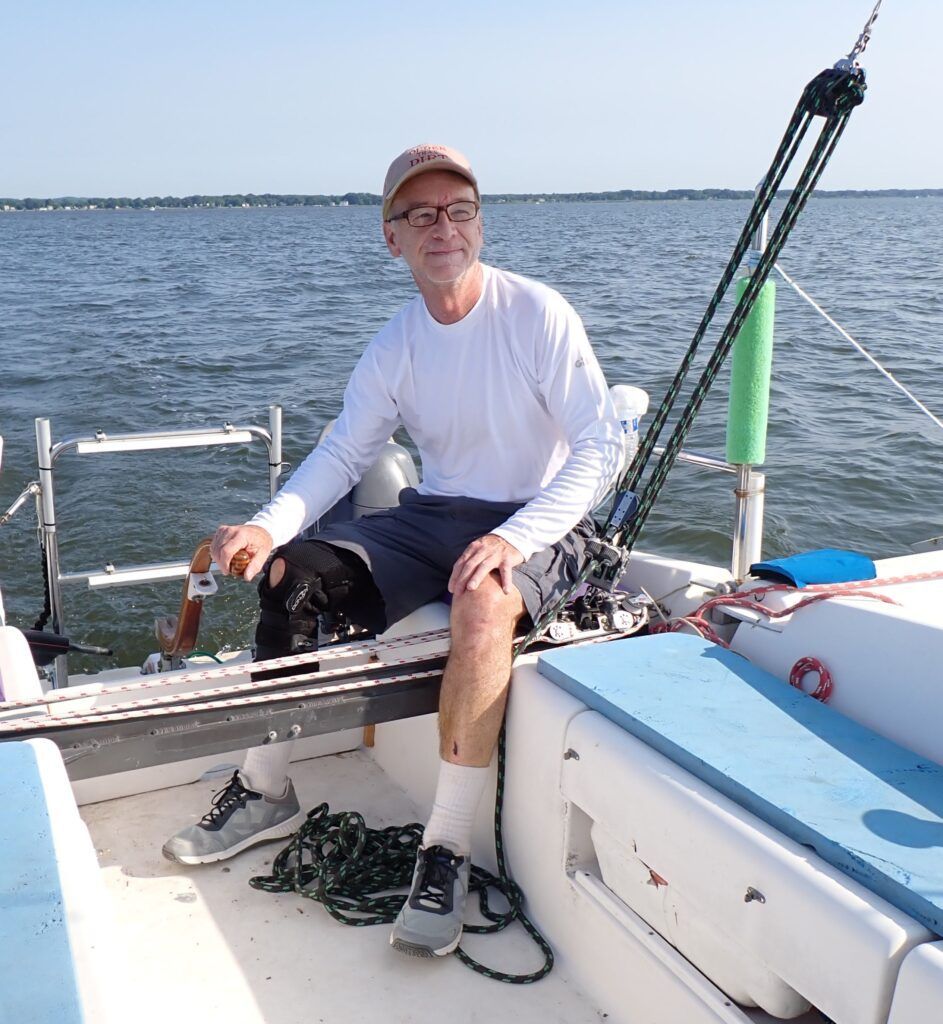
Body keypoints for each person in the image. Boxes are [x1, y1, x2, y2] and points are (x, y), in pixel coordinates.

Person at [163, 142, 622, 958]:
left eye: (458, 210)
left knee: (484, 604)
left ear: (478, 223)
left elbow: (596, 448)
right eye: (420, 214)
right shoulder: (395, 344)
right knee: (291, 578)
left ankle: (443, 847)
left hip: (546, 516)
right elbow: (343, 454)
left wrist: (512, 538)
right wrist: (269, 528)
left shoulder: (536, 314)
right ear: (392, 238)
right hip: (438, 511)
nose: (441, 226)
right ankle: (266, 788)